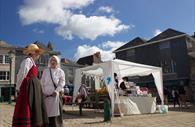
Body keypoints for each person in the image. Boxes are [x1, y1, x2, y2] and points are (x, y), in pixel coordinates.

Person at [12, 44, 49, 127]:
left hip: (34, 87)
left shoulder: (33, 62)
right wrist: (18, 88)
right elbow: (21, 74)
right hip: (28, 87)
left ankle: (34, 122)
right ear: (33, 53)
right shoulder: (27, 61)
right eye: (37, 52)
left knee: (35, 105)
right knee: (28, 105)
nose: (39, 55)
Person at [41, 55, 65, 127]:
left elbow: (62, 83)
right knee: (46, 113)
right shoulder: (46, 71)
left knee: (55, 115)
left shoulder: (61, 72)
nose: (53, 61)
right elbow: (42, 82)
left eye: (54, 60)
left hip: (55, 96)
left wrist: (57, 91)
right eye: (51, 60)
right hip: (46, 96)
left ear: (57, 62)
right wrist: (42, 92)